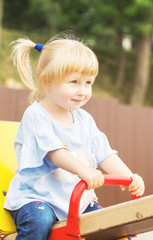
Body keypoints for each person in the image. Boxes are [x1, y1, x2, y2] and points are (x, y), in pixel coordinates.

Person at [4, 33, 145, 240]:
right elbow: (54, 152)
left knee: (112, 226)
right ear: (47, 81)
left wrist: (129, 176)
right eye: (74, 82)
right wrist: (84, 170)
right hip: (37, 199)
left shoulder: (85, 120)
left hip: (77, 202)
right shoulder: (36, 115)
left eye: (88, 82)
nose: (82, 90)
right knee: (39, 221)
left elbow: (104, 153)